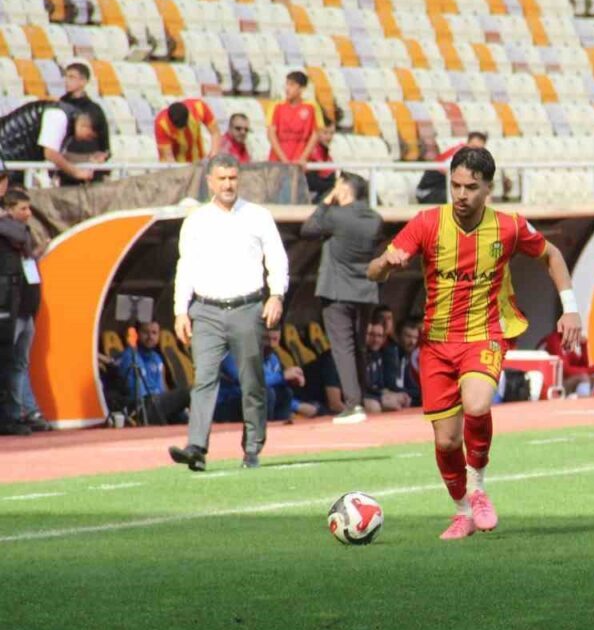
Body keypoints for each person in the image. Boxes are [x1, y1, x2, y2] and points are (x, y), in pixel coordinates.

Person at [367, 146, 583, 540]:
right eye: (456, 186)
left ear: (488, 189)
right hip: (436, 343)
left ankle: (478, 487)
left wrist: (570, 308)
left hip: (484, 334)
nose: (461, 195)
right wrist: (385, 264)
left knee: (478, 404)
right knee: (447, 440)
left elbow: (551, 255)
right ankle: (462, 511)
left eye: (471, 187)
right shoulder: (427, 223)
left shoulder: (508, 227)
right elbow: (373, 272)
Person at [168, 153, 288, 472]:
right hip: (206, 309)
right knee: (204, 379)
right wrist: (180, 311)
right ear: (210, 182)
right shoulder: (196, 220)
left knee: (252, 381)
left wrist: (276, 295)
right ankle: (196, 447)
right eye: (221, 179)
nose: (228, 184)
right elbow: (185, 266)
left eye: (232, 178)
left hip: (247, 307)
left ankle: (252, 448)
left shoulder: (258, 216)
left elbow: (276, 258)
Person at [300, 172, 383, 425]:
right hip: (365, 291)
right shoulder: (375, 219)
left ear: (344, 191)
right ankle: (360, 398)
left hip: (337, 291)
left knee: (343, 347)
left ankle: (353, 404)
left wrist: (327, 201)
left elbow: (308, 229)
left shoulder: (335, 215)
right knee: (358, 346)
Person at [1, 189, 50, 430]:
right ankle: (13, 414)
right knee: (10, 363)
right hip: (10, 311)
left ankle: (25, 411)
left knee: (20, 364)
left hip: (25, 310)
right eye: (23, 209)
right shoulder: (9, 233)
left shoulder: (23, 237)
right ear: (8, 210)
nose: (28, 213)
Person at [0, 101, 96, 184]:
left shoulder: (69, 122)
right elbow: (50, 154)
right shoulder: (59, 116)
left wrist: (88, 158)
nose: (88, 140)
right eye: (89, 136)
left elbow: (60, 156)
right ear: (85, 126)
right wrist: (76, 173)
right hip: (6, 152)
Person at [114, 320, 190, 425]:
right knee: (190, 393)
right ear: (137, 334)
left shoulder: (157, 358)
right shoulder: (130, 356)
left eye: (154, 333)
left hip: (159, 404)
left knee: (185, 418)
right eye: (145, 332)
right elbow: (137, 395)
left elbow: (163, 389)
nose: (150, 337)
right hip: (142, 408)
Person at [59, 62, 110, 184]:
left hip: (91, 172)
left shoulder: (95, 110)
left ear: (83, 81)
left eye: (71, 77)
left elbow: (105, 145)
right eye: (66, 76)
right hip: (66, 171)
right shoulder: (58, 107)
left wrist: (102, 157)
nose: (66, 81)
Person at [415, 129, 486, 205]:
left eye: (480, 149)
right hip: (426, 192)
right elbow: (452, 175)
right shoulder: (459, 154)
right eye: (474, 147)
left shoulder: (469, 156)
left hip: (440, 188)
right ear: (467, 143)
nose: (476, 151)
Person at [268, 71, 319, 165]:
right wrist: (284, 160)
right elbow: (271, 134)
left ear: (302, 88)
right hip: (278, 162)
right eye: (287, 84)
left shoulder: (311, 107)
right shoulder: (277, 106)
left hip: (298, 162)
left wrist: (303, 158)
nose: (287, 88)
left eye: (292, 85)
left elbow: (315, 134)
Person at [155, 99, 219, 163]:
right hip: (176, 161)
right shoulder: (161, 123)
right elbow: (168, 156)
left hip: (197, 158)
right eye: (178, 127)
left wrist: (214, 153)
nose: (182, 130)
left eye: (184, 125)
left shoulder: (198, 107)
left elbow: (215, 132)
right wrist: (178, 168)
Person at [391, 319, 422, 407]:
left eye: (415, 338)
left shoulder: (406, 357)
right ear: (398, 336)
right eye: (408, 336)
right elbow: (392, 386)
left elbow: (412, 386)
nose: (412, 342)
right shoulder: (391, 353)